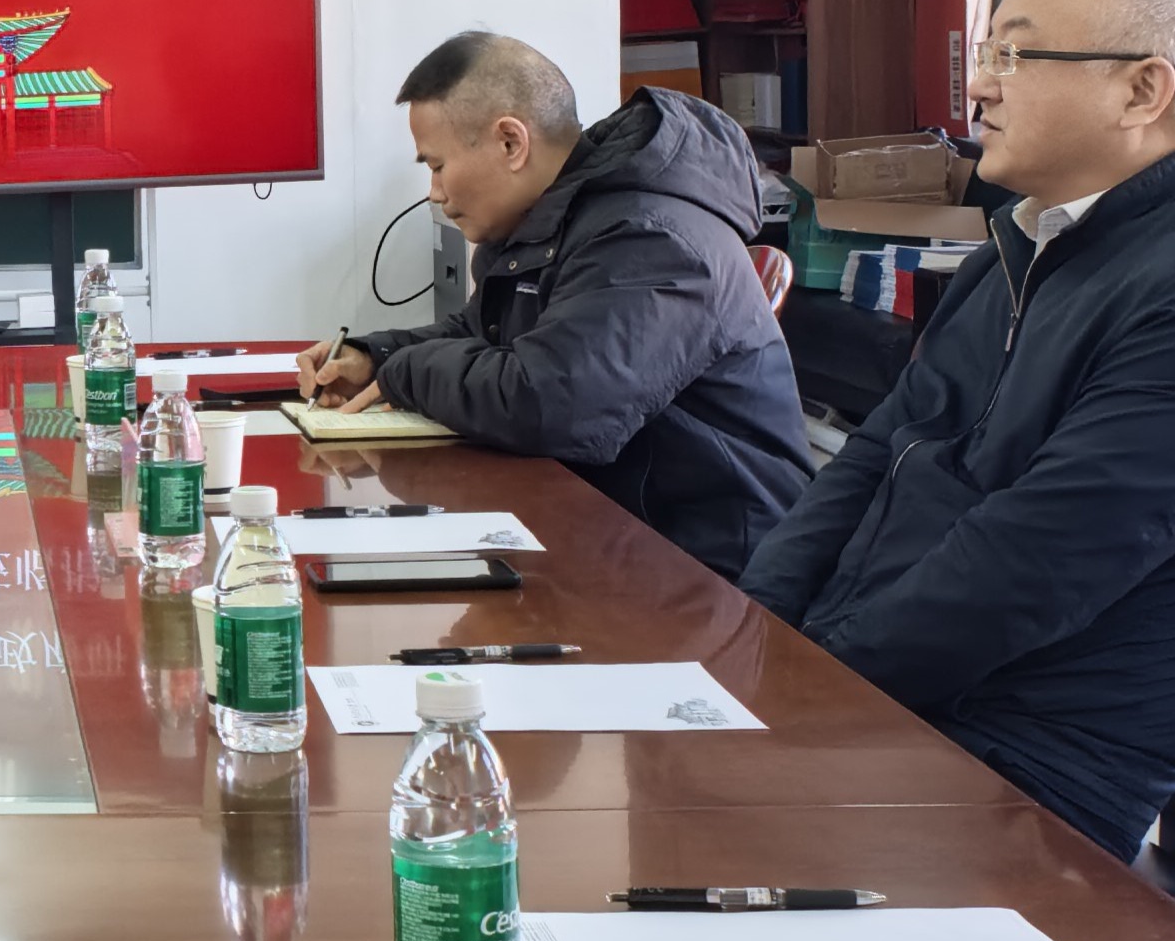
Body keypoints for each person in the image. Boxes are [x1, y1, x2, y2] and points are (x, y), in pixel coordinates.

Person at [740, 0, 1175, 862]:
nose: (979, 89)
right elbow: (876, 453)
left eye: (1013, 56)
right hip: (888, 698)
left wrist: (800, 685)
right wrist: (754, 632)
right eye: (987, 55)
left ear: (1143, 90)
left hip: (1021, 771)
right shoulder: (1024, 244)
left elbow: (1021, 574)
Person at [300, 35, 807, 577]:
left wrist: (403, 373)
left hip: (708, 568)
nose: (435, 192)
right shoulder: (552, 220)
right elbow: (481, 331)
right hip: (605, 529)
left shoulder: (651, 238)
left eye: (439, 165)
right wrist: (374, 356)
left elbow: (555, 405)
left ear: (511, 143)